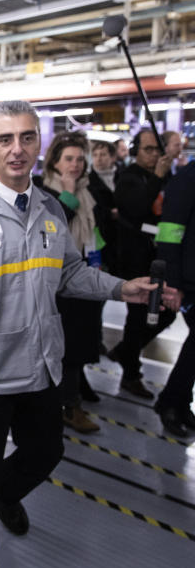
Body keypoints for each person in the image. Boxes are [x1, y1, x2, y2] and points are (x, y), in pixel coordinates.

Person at [0, 101, 168, 568]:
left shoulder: (51, 208)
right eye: (5, 139)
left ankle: (7, 493)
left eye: (27, 138)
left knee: (47, 451)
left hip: (41, 364)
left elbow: (71, 274)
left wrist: (123, 287)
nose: (17, 149)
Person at [38, 131, 103, 433]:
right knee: (68, 344)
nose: (75, 165)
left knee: (82, 339)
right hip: (56, 282)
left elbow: (92, 230)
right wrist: (66, 193)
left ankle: (75, 390)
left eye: (79, 159)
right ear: (54, 161)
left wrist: (99, 258)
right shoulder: (43, 190)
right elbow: (50, 229)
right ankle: (68, 405)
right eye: (68, 159)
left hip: (84, 274)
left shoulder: (88, 190)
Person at [107, 129, 175, 399]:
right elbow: (136, 207)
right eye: (148, 149)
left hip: (158, 257)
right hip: (135, 259)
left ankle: (125, 352)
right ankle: (131, 373)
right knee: (137, 318)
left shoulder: (164, 176)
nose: (154, 155)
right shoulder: (129, 177)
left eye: (157, 149)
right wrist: (158, 176)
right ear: (136, 150)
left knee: (165, 312)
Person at [154, 160, 195, 436]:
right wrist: (174, 283)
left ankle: (177, 402)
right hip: (190, 279)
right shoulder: (188, 177)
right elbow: (169, 231)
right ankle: (171, 401)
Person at [88, 140, 119, 274]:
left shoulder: (123, 177)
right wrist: (108, 213)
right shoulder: (87, 181)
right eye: (95, 155)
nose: (98, 158)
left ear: (113, 157)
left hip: (123, 234)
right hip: (101, 235)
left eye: (103, 154)